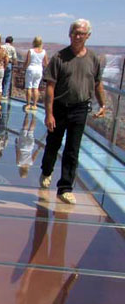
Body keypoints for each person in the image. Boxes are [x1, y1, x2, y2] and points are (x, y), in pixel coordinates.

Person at [40, 18, 106, 204]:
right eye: (75, 33)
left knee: (72, 149)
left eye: (81, 33)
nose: (77, 36)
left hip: (80, 108)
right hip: (60, 107)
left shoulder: (93, 59)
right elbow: (50, 87)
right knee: (53, 143)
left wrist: (102, 104)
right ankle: (46, 171)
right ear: (70, 35)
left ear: (88, 36)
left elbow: (98, 83)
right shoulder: (59, 58)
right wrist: (49, 113)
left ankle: (65, 188)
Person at [23, 36, 48, 111]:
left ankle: (28, 104)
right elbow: (46, 63)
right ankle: (34, 105)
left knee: (29, 87)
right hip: (39, 70)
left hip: (31, 69)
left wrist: (24, 67)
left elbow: (27, 61)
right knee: (36, 87)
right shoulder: (44, 52)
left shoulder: (31, 51)